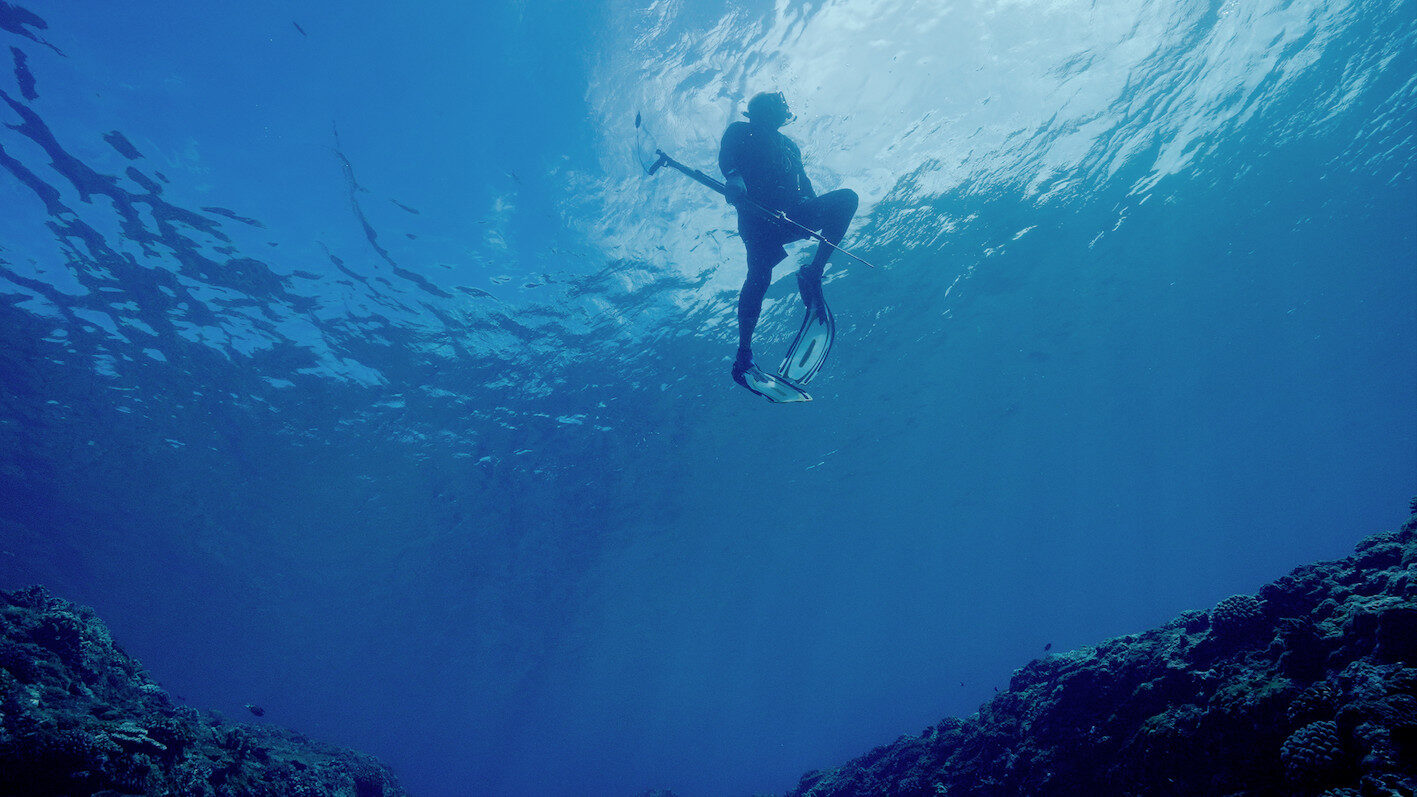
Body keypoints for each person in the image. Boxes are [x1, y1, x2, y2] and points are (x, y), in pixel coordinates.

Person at [719, 91, 858, 388]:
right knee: (759, 276)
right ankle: (743, 356)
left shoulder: (790, 147)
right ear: (762, 110)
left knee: (846, 200)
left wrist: (808, 211)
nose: (785, 107)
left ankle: (813, 272)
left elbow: (804, 185)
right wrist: (733, 178)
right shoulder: (740, 131)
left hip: (790, 217)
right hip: (757, 220)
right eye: (778, 103)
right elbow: (727, 156)